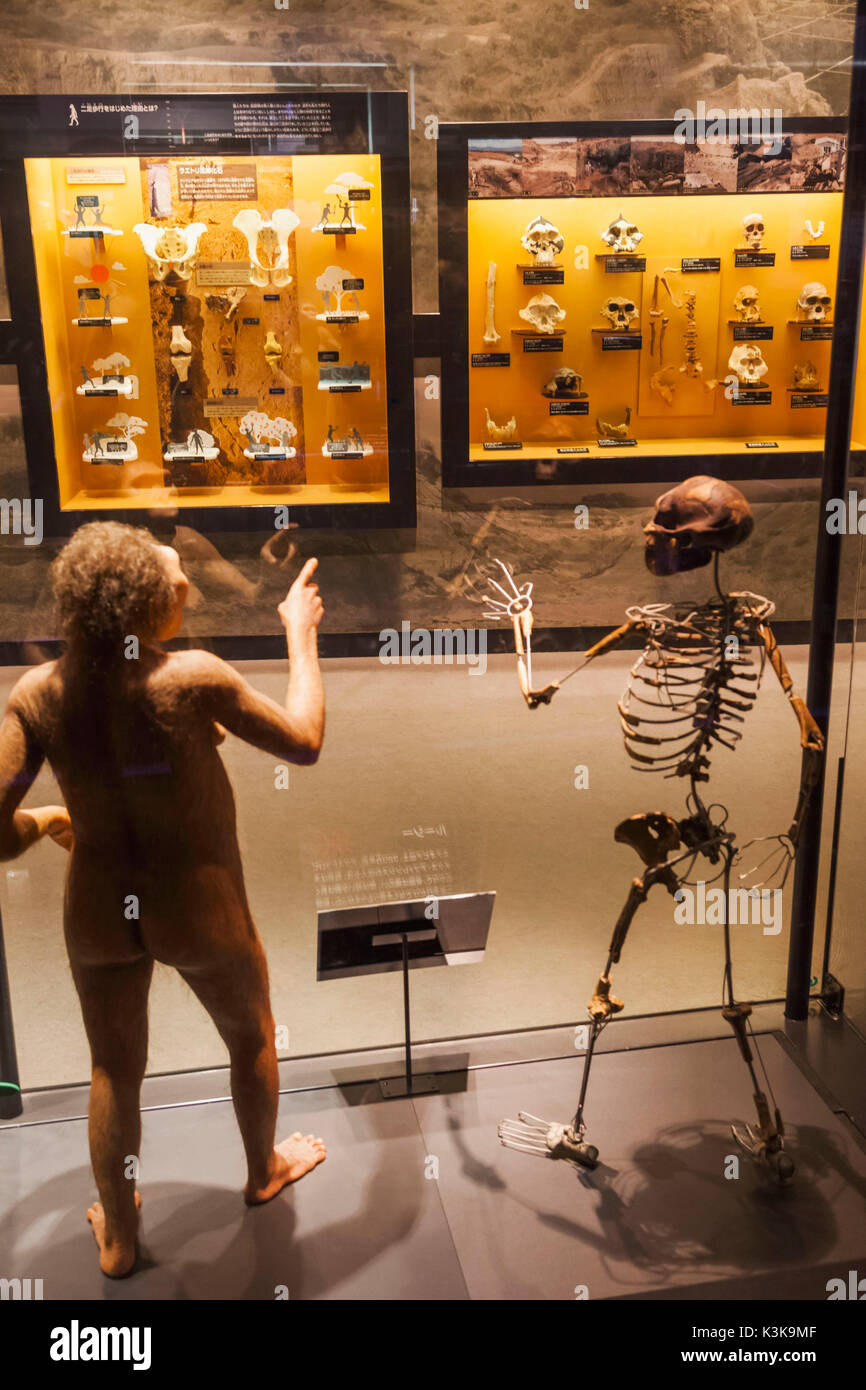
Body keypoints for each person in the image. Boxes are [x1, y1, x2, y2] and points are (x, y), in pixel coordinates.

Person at [0, 523, 327, 1277]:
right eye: (177, 579)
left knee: (113, 1068)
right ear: (149, 605)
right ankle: (262, 1171)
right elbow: (305, 740)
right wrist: (298, 634)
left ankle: (118, 1237)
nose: (188, 584)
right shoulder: (191, 679)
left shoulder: (37, 694)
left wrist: (48, 818)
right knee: (251, 1039)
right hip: (197, 905)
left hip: (97, 910)